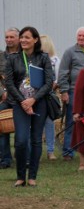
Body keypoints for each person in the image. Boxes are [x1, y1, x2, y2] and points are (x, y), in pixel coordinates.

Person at [5, 26, 54, 187]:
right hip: (20, 104)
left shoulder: (43, 57)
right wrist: (23, 102)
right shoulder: (13, 58)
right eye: (22, 37)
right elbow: (9, 83)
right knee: (20, 140)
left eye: (27, 37)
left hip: (39, 103)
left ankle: (32, 176)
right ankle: (20, 176)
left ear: (35, 40)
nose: (23, 40)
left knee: (36, 140)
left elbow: (49, 83)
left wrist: (33, 100)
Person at [58, 26, 84, 160]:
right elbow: (63, 73)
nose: (81, 38)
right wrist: (64, 91)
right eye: (79, 35)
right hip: (74, 91)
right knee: (72, 121)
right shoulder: (69, 52)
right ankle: (68, 151)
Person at [0, 27, 21, 168]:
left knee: (22, 129)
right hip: (4, 98)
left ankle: (22, 157)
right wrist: (3, 90)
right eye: (6, 37)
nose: (8, 40)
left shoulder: (24, 54)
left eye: (12, 37)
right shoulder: (1, 56)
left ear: (18, 38)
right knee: (2, 129)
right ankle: (5, 159)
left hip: (21, 98)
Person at [40, 35, 60, 160]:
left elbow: (57, 78)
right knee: (37, 124)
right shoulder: (35, 59)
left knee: (49, 123)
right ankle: (37, 151)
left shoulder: (55, 60)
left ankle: (50, 150)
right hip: (36, 95)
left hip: (49, 96)